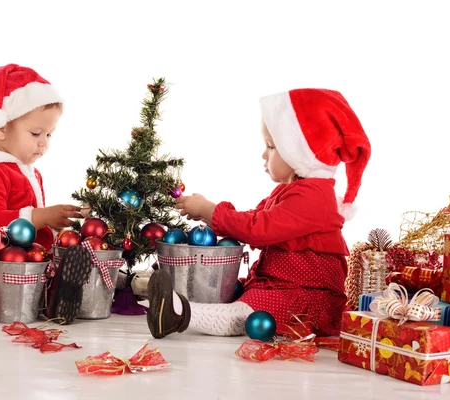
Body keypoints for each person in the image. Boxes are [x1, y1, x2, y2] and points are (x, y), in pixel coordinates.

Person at [146, 88, 371, 338]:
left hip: (304, 295)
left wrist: (211, 211)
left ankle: (178, 314)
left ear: (299, 154)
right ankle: (154, 294)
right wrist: (210, 214)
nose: (264, 154)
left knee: (248, 311)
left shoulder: (315, 197)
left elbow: (259, 229)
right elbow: (254, 216)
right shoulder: (292, 190)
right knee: (231, 290)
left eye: (271, 147)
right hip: (277, 284)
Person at [0, 64, 91, 324]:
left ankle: (68, 283)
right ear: (0, 128)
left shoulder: (29, 173)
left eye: (49, 134)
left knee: (75, 252)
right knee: (41, 271)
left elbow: (33, 224)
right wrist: (44, 216)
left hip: (22, 256)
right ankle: (54, 290)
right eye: (36, 133)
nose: (44, 142)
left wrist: (59, 225)